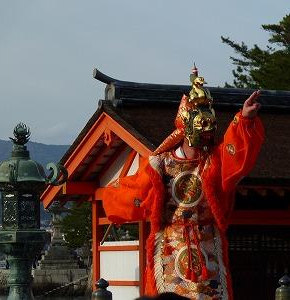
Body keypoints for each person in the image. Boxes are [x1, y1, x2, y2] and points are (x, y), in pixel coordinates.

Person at [102, 66, 264, 300]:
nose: (207, 133)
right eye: (201, 127)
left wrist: (244, 120)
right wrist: (114, 199)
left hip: (207, 244)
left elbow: (235, 155)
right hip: (171, 245)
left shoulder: (213, 161)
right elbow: (136, 193)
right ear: (187, 127)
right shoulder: (161, 164)